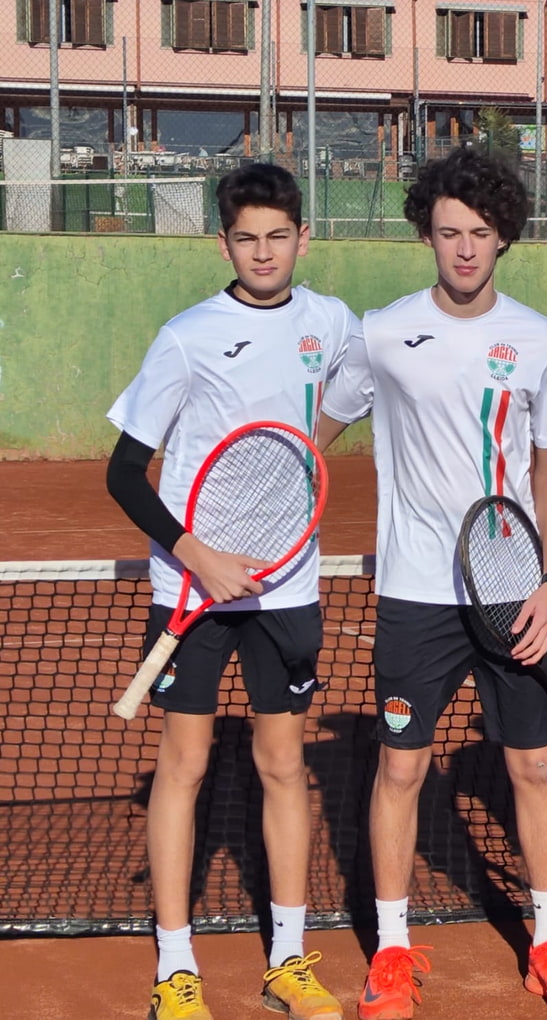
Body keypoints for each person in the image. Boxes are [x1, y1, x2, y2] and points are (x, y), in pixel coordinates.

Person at [315, 147, 547, 1017]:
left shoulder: (540, 341)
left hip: (512, 588)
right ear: (425, 234)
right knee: (401, 770)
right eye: (447, 233)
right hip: (413, 592)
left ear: (504, 236)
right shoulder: (382, 331)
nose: (464, 249)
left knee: (534, 767)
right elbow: (316, 429)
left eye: (479, 233)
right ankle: (392, 953)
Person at [106, 163, 352, 1020]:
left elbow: (387, 367)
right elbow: (125, 472)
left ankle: (288, 959)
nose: (263, 252)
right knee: (185, 766)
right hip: (194, 588)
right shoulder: (186, 335)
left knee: (283, 767)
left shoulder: (334, 322)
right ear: (224, 242)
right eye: (246, 238)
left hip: (286, 588)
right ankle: (176, 971)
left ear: (303, 237)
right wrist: (196, 553)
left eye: (278, 236)